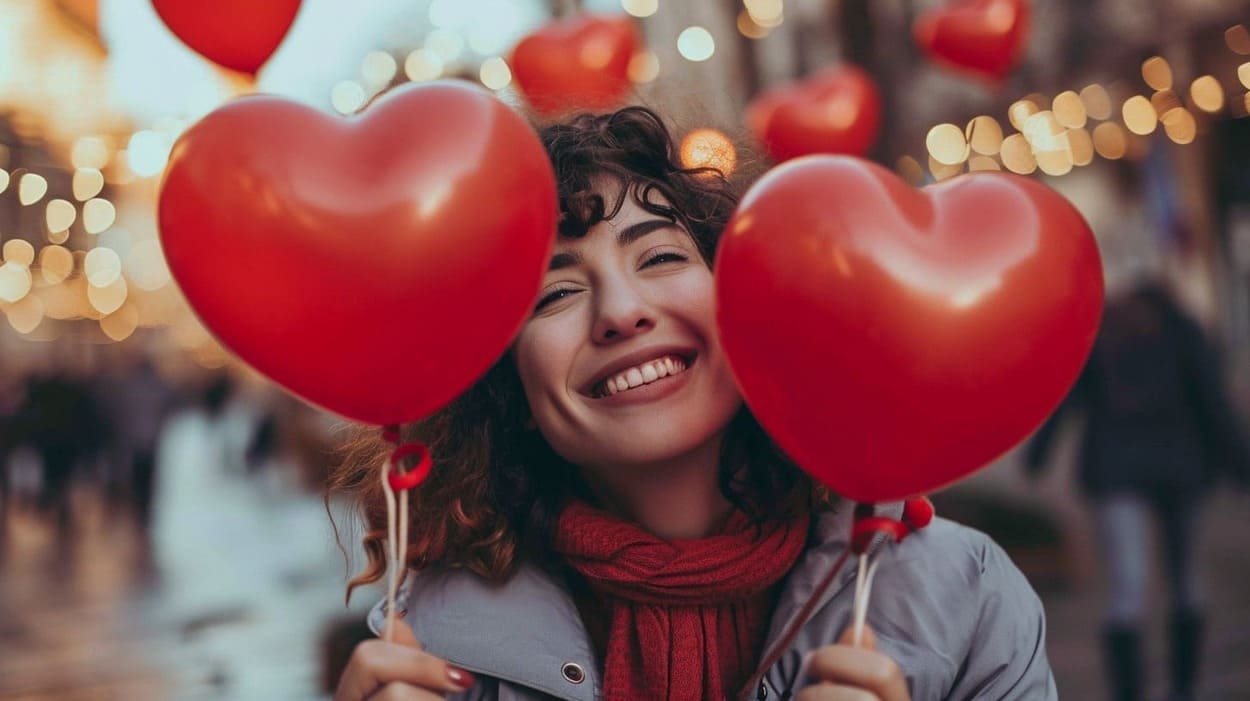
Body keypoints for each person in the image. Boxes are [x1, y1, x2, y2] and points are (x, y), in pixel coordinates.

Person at [328, 106, 1056, 701]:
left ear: (748, 302)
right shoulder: (431, 648)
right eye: (555, 292)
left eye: (661, 257)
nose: (621, 311)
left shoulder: (964, 600)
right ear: (509, 387)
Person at [1026, 280, 1250, 701]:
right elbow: (1212, 399)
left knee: (1127, 587)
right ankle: (1184, 688)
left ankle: (1128, 693)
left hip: (1116, 471)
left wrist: (1038, 455)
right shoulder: (1184, 329)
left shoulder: (1103, 332)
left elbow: (1067, 396)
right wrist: (1241, 464)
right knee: (1186, 579)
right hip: (1180, 468)